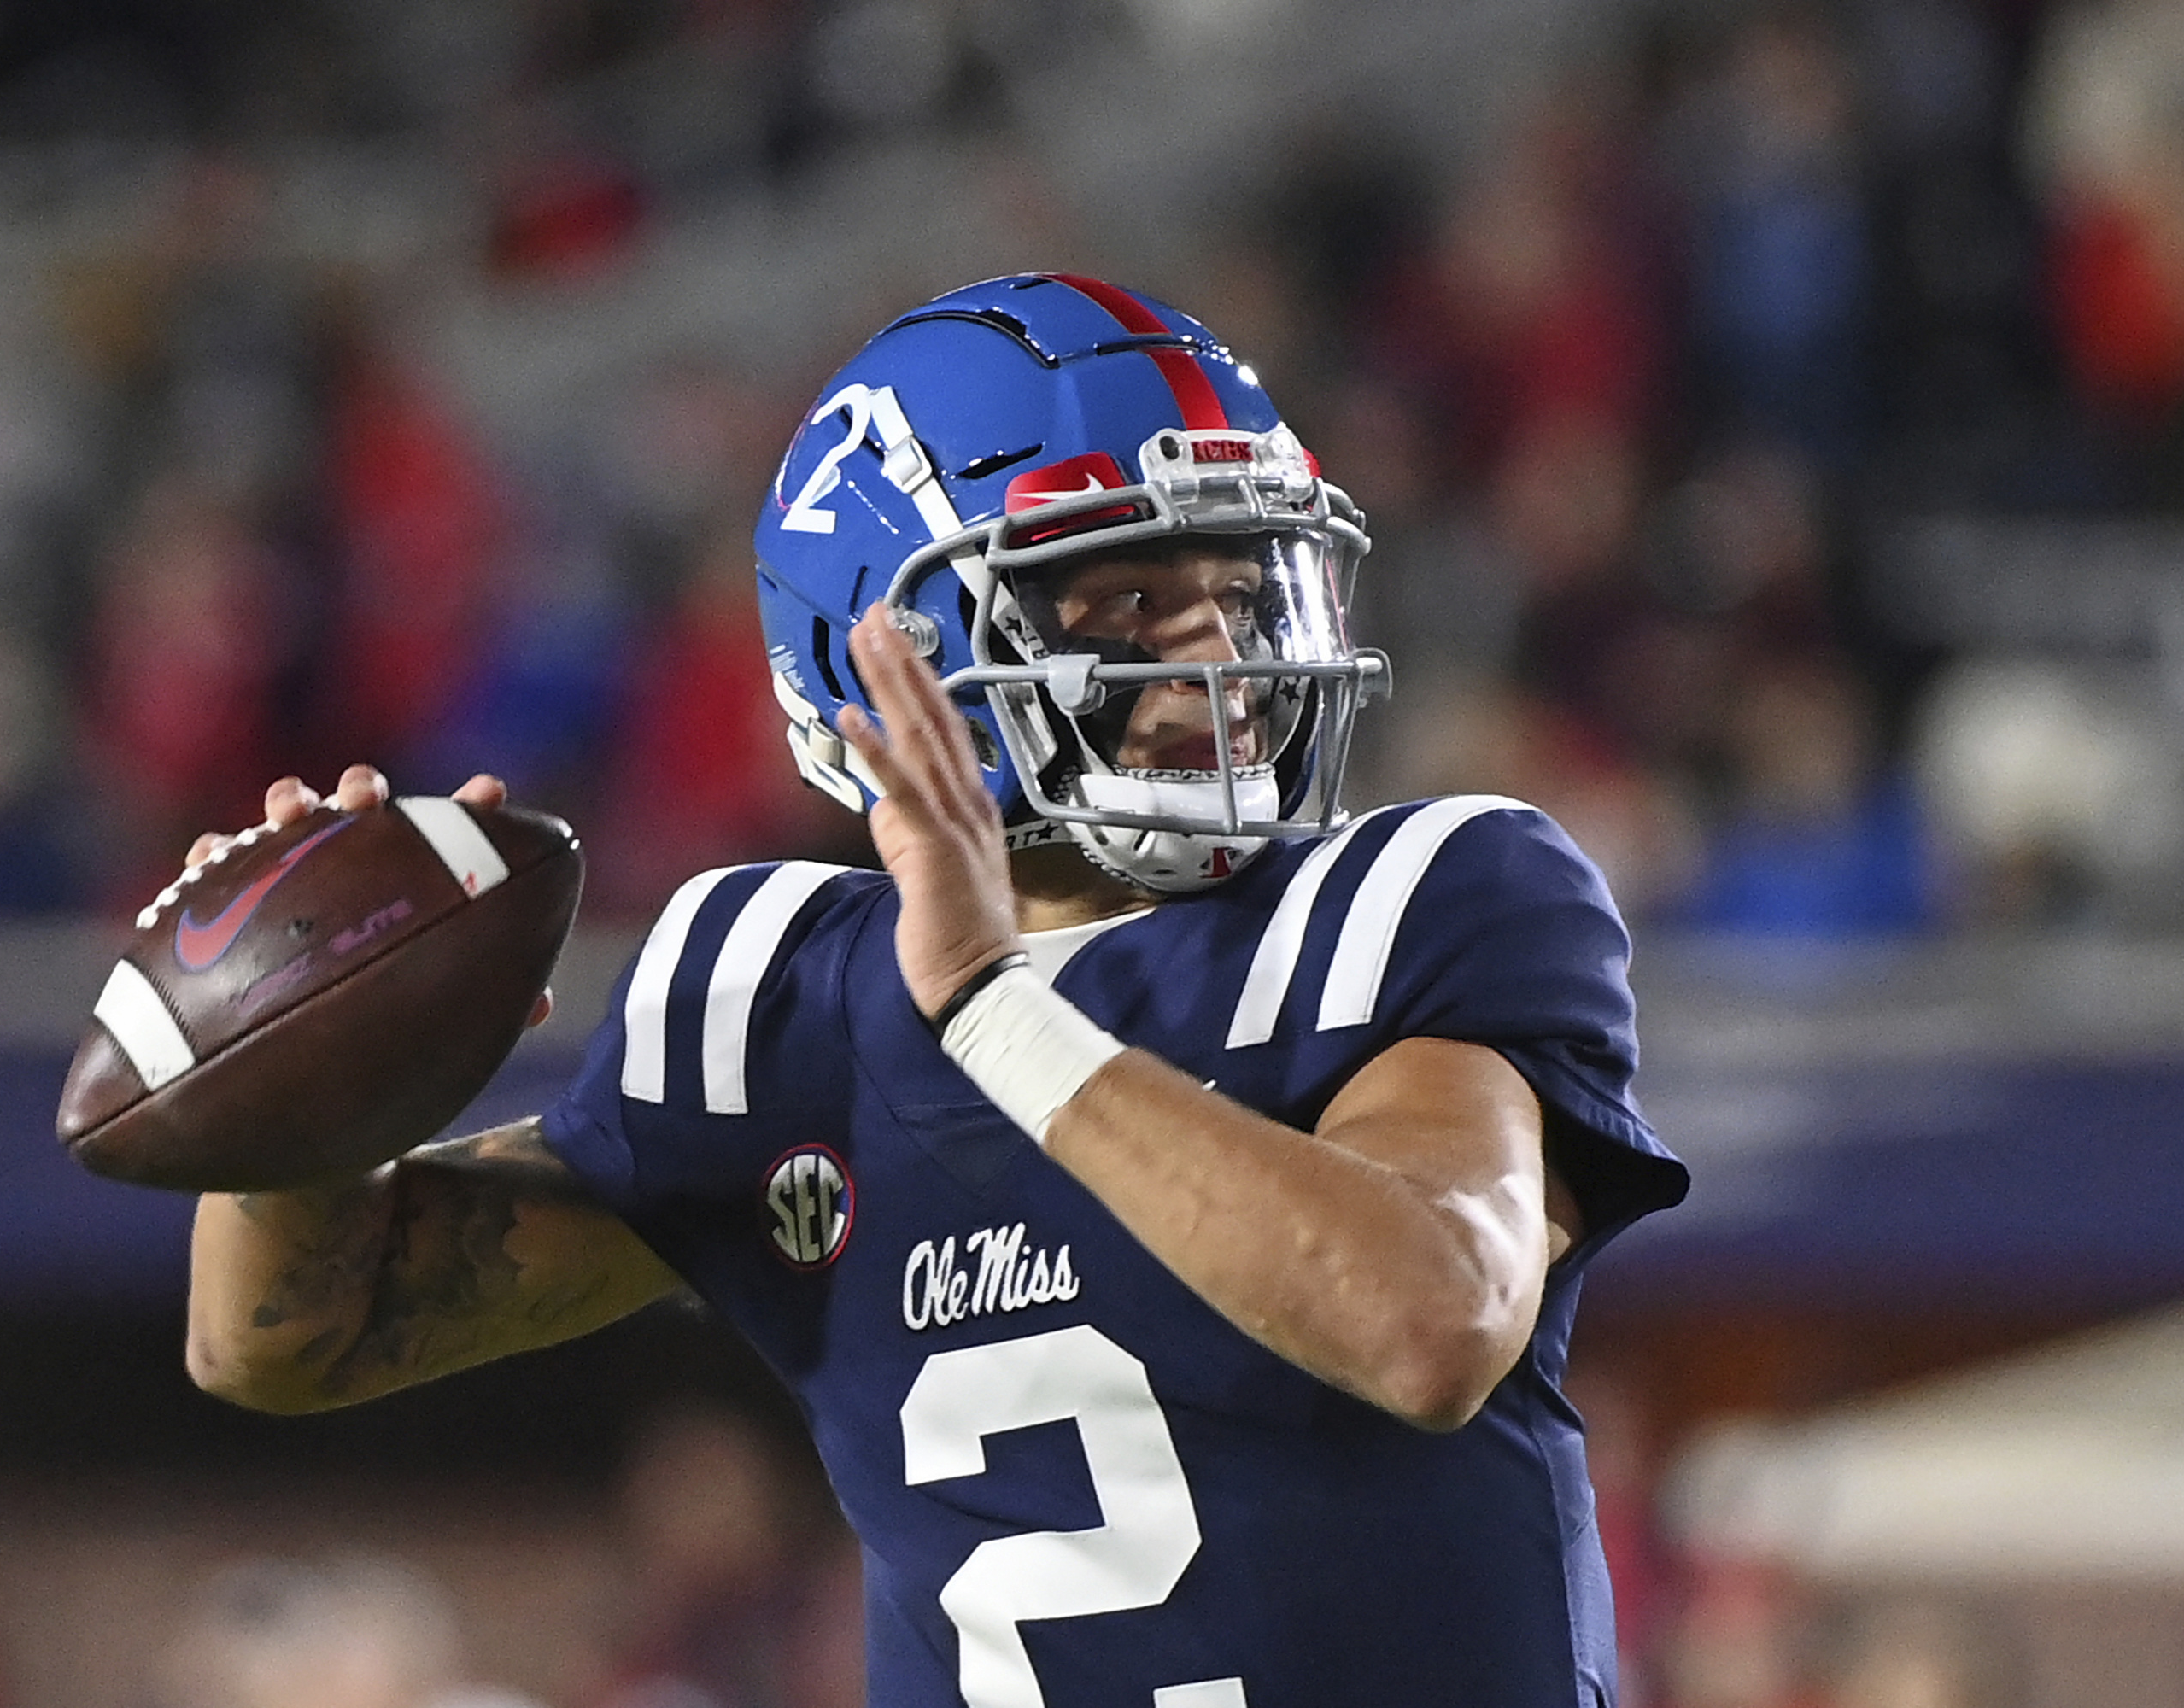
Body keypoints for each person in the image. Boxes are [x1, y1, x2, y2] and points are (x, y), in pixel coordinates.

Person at [180, 274, 1690, 1707]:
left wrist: (997, 1013)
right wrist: (301, 1077)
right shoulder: (772, 1001)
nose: (1216, 657)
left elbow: (1429, 1318)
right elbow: (300, 1337)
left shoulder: (1423, 899)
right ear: (875, 653)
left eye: (1242, 590)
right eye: (1124, 602)